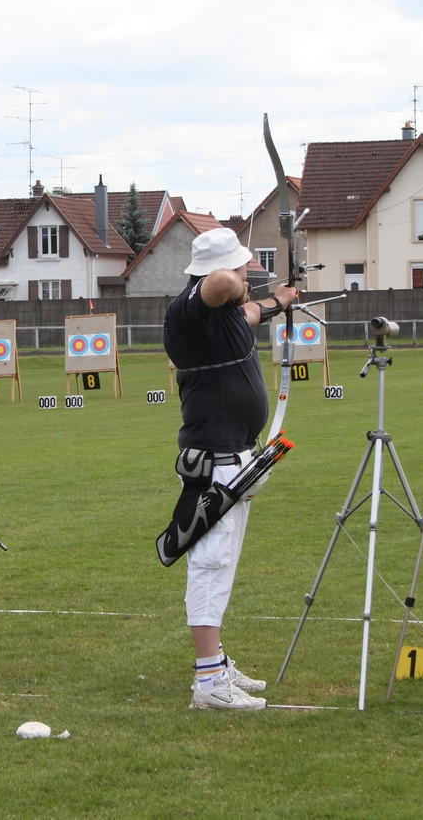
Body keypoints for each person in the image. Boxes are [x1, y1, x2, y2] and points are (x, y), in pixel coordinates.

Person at [163, 227, 298, 711]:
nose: (245, 276)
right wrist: (241, 281)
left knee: (223, 564)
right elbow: (222, 285)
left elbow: (250, 310)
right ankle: (207, 684)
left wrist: (279, 300)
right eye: (242, 267)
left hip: (234, 457)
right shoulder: (189, 309)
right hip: (212, 462)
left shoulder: (223, 318)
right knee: (210, 563)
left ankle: (216, 664)